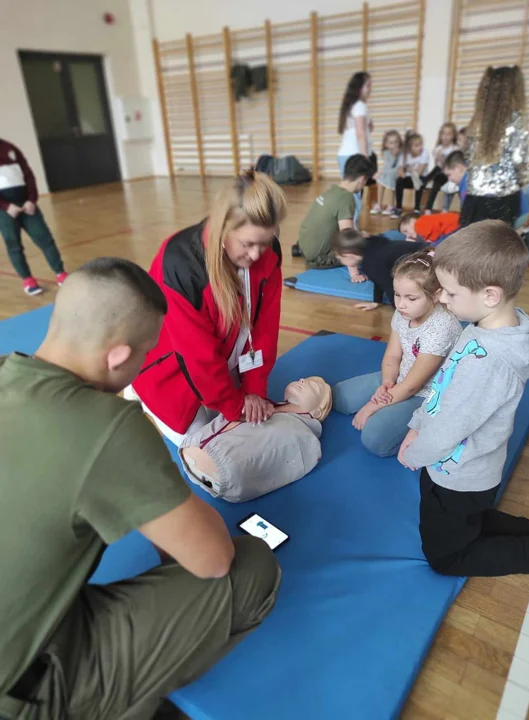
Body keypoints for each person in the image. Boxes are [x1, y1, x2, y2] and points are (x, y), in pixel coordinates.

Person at [0, 258, 280, 720]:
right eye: (146, 354)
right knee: (253, 566)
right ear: (117, 356)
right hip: (24, 689)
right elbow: (212, 562)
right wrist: (148, 471)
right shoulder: (105, 424)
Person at [398, 221, 529, 576]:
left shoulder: (491, 361)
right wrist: (416, 423)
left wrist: (415, 453)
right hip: (459, 472)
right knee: (470, 519)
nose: (442, 299)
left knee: (446, 557)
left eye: (449, 292)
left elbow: (449, 427)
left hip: (458, 475)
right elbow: (445, 383)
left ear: (490, 295)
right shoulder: (486, 324)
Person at [131, 170, 287, 446]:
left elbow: (264, 331)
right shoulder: (181, 264)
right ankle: (138, 391)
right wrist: (233, 405)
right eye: (247, 244)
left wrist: (253, 389)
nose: (255, 255)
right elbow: (196, 357)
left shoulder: (269, 254)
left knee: (255, 427)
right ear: (223, 229)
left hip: (222, 358)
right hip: (171, 370)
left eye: (263, 243)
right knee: (211, 446)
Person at [332, 250, 462, 457]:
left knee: (374, 438)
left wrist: (372, 406)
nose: (401, 304)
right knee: (339, 397)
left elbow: (412, 386)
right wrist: (386, 384)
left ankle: (426, 428)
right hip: (402, 380)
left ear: (436, 295)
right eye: (397, 294)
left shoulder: (442, 327)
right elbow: (392, 356)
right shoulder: (404, 312)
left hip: (426, 394)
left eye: (411, 298)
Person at [181, 376, 332, 502]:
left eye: (313, 387)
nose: (302, 380)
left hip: (222, 472)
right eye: (304, 380)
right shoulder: (265, 404)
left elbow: (279, 460)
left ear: (318, 412)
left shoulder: (303, 435)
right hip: (194, 448)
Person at [460, 66, 528, 227]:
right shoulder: (516, 120)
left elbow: (469, 156)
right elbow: (519, 159)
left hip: (475, 196)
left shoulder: (477, 121)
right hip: (504, 196)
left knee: (472, 242)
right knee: (498, 245)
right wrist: (520, 179)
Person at [0, 138, 67, 296]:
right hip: (5, 211)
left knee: (45, 238)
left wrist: (31, 200)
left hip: (27, 206)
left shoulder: (10, 148)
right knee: (14, 245)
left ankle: (60, 273)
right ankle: (28, 280)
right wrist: (6, 207)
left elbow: (28, 176)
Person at [293, 154, 373, 273]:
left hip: (304, 247)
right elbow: (347, 239)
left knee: (359, 237)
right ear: (362, 179)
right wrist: (354, 273)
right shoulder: (347, 198)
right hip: (318, 259)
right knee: (369, 248)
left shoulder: (332, 191)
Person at [332, 228, 426, 309]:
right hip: (424, 250)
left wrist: (400, 310)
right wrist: (376, 302)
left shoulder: (370, 262)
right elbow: (379, 279)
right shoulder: (371, 246)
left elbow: (390, 286)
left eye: (340, 258)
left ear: (349, 255)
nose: (341, 261)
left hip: (427, 257)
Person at [337, 72, 376, 225]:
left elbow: (365, 129)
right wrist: (365, 157)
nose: (370, 89)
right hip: (354, 155)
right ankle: (351, 230)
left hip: (345, 154)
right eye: (368, 85)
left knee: (351, 193)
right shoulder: (360, 106)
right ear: (359, 87)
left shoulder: (352, 105)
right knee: (354, 195)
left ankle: (348, 228)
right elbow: (361, 133)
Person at [420, 122, 459, 214]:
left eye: (448, 134)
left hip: (450, 174)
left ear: (453, 136)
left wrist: (443, 161)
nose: (445, 137)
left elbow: (454, 164)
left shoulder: (455, 149)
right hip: (441, 173)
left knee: (439, 175)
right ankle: (428, 208)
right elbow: (437, 164)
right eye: (443, 134)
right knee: (436, 183)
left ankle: (445, 209)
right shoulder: (438, 149)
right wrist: (439, 158)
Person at [393, 132, 429, 218]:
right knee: (399, 181)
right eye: (416, 145)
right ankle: (398, 208)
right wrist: (404, 174)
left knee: (418, 182)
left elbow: (419, 171)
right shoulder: (404, 155)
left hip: (420, 176)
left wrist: (410, 170)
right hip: (409, 177)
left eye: (420, 144)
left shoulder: (424, 153)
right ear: (409, 148)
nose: (420, 147)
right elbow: (400, 171)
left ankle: (417, 209)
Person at [370, 130, 404, 216]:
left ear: (399, 142)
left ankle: (390, 205)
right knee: (380, 179)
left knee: (388, 178)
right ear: (386, 144)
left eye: (396, 142)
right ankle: (379, 204)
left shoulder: (401, 153)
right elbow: (387, 166)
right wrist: (381, 172)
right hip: (388, 172)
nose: (394, 144)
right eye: (391, 143)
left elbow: (397, 168)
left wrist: (381, 171)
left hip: (397, 172)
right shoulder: (386, 153)